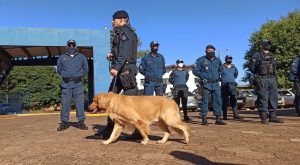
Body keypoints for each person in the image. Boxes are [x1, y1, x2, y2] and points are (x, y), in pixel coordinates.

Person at [94, 10, 139, 138]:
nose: (112, 22)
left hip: (125, 71)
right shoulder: (121, 32)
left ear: (121, 19)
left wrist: (116, 67)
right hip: (123, 70)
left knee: (130, 103)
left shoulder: (126, 31)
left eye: (114, 19)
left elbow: (125, 52)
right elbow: (122, 51)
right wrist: (113, 56)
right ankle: (109, 131)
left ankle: (139, 132)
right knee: (110, 99)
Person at [57, 39, 89, 131]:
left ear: (75, 47)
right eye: (69, 45)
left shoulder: (82, 57)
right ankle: (64, 123)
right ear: (67, 47)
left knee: (79, 104)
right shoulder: (62, 57)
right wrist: (66, 75)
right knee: (65, 104)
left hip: (78, 84)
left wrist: (78, 75)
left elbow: (86, 69)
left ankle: (81, 122)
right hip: (66, 84)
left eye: (73, 45)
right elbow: (59, 70)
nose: (71, 47)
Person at [249, 39, 283, 124]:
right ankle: (264, 118)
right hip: (262, 79)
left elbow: (275, 66)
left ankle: (273, 117)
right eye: (266, 44)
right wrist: (258, 75)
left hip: (272, 79)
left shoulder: (272, 55)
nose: (268, 45)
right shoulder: (257, 55)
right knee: (263, 98)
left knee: (273, 98)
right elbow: (251, 67)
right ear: (261, 45)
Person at [192, 45, 227, 126]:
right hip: (206, 84)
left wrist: (218, 75)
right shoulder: (201, 60)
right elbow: (195, 70)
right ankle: (204, 119)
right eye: (208, 50)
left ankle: (218, 119)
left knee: (218, 101)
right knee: (205, 101)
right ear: (205, 51)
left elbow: (221, 69)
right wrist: (202, 76)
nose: (210, 52)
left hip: (216, 84)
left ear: (214, 51)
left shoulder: (218, 60)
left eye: (212, 50)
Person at [221, 55, 242, 120]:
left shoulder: (234, 67)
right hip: (224, 85)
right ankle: (225, 116)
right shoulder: (221, 67)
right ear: (225, 59)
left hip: (232, 85)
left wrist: (231, 79)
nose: (229, 60)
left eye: (230, 59)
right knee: (225, 101)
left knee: (234, 100)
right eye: (228, 59)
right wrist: (222, 80)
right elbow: (218, 74)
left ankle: (236, 115)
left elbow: (236, 75)